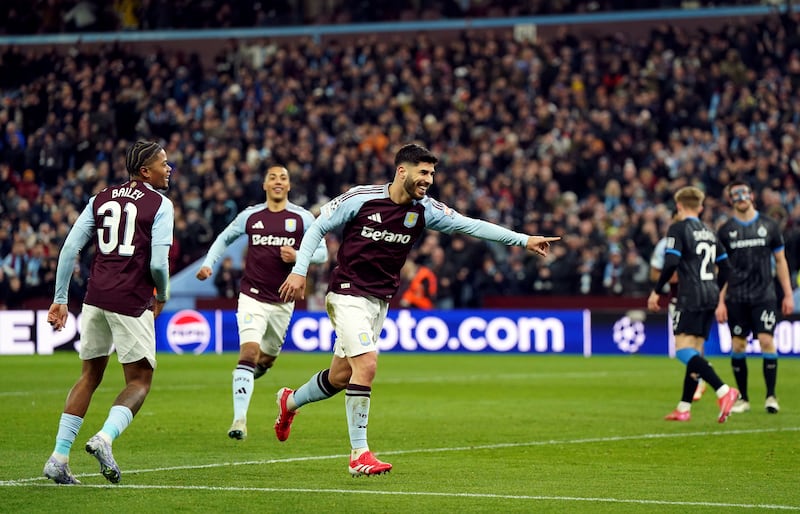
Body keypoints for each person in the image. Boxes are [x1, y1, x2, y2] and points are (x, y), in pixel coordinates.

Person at [275, 143, 559, 476]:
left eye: (432, 174)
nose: (429, 179)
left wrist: (522, 239)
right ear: (402, 171)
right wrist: (299, 269)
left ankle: (289, 401)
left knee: (340, 377)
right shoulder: (361, 198)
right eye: (423, 172)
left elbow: (471, 225)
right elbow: (319, 226)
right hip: (347, 294)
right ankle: (359, 454)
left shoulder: (426, 209)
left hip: (379, 301)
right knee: (366, 366)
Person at [43, 140, 174, 484]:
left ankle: (58, 457)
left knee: (90, 376)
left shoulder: (101, 197)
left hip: (95, 296)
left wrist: (60, 298)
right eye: (164, 163)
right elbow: (159, 262)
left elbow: (71, 246)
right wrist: (163, 291)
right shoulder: (160, 204)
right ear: (146, 171)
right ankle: (104, 438)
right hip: (130, 300)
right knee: (140, 381)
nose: (169, 168)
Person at [196, 165, 327, 440]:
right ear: (265, 185)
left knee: (265, 361)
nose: (278, 182)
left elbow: (323, 253)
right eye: (272, 178)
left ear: (289, 186)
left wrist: (299, 256)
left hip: (282, 301)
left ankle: (244, 380)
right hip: (251, 297)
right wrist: (209, 264)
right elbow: (225, 237)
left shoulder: (302, 217)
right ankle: (239, 420)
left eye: (283, 178)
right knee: (249, 353)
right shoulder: (251, 215)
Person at [647, 185, 739, 423]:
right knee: (695, 350)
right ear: (699, 207)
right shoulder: (709, 231)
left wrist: (657, 291)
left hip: (690, 295)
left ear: (678, 206)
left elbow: (670, 263)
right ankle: (684, 407)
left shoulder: (678, 228)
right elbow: (727, 269)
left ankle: (723, 390)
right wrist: (715, 289)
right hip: (710, 294)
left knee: (683, 351)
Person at [715, 180, 794, 414]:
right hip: (736, 296)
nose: (740, 197)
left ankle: (771, 396)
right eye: (735, 194)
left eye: (744, 193)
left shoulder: (769, 226)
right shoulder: (726, 230)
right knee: (738, 345)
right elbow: (723, 269)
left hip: (764, 295)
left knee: (766, 341)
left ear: (752, 196)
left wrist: (788, 294)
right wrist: (720, 300)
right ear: (731, 200)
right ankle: (744, 399)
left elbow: (780, 261)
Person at [649, 210, 706, 402]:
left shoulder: (700, 238)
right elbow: (655, 273)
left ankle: (704, 378)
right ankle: (701, 377)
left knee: (689, 344)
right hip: (677, 299)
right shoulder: (664, 245)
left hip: (696, 296)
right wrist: (670, 277)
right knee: (687, 343)